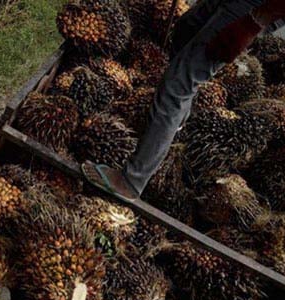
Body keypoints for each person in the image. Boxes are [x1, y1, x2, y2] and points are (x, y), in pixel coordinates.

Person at [82, 0, 285, 202]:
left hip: (258, 7)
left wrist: (252, 23)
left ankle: (132, 181)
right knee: (186, 29)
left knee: (178, 83)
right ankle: (175, 119)